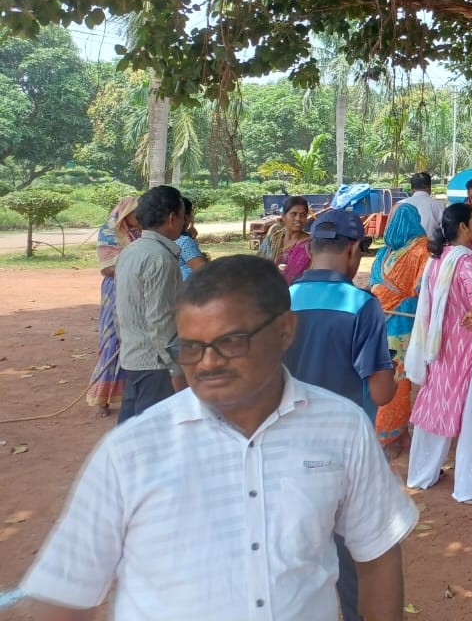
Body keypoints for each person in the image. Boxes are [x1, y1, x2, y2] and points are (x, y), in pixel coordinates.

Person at [21, 255, 418, 621]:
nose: (207, 363)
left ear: (284, 330)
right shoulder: (132, 452)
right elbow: (65, 597)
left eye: (230, 342)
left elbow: (378, 555)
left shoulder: (342, 427)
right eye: (191, 348)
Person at [284, 209, 396, 621]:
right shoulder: (362, 305)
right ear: (354, 250)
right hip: (344, 454)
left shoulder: (281, 300)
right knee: (350, 558)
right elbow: (382, 392)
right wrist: (394, 371)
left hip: (284, 447)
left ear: (310, 248)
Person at [404, 202, 472, 502]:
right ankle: (470, 486)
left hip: (440, 349)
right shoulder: (464, 260)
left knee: (435, 409)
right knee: (470, 418)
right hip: (467, 351)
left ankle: (422, 473)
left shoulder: (439, 257)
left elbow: (452, 303)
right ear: (463, 227)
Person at [114, 184, 186, 424]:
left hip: (132, 357)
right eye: (183, 216)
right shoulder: (160, 258)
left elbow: (121, 308)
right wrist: (176, 369)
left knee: (130, 435)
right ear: (172, 217)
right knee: (153, 441)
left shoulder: (130, 251)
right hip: (155, 365)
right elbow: (161, 321)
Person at [368, 203, 431, 455]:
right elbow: (424, 289)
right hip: (404, 324)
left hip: (377, 320)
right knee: (400, 380)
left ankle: (397, 432)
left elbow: (374, 284)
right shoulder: (422, 249)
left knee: (385, 374)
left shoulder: (383, 252)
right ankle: (390, 435)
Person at [87, 195, 140, 418]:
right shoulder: (109, 232)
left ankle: (131, 395)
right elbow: (107, 268)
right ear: (125, 215)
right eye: (136, 213)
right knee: (112, 341)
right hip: (116, 288)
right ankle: (101, 400)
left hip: (137, 288)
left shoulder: (142, 233)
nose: (140, 217)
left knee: (134, 340)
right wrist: (135, 268)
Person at [257, 195, 312, 284]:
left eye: (302, 215)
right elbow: (258, 266)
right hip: (271, 290)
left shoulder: (311, 244)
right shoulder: (273, 240)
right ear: (283, 217)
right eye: (293, 214)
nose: (298, 219)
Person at [176, 196, 208, 281]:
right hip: (186, 289)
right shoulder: (185, 241)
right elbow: (203, 271)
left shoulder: (161, 238)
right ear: (185, 217)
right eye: (191, 214)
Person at [404, 171, 443, 238]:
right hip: (431, 246)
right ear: (429, 187)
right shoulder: (440, 206)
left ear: (412, 189)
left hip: (405, 247)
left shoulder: (401, 204)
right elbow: (444, 230)